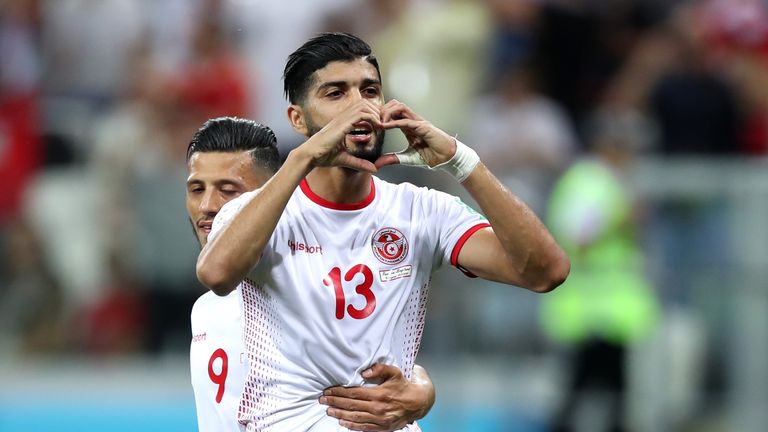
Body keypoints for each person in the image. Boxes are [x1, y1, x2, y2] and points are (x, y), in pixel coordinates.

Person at [196, 33, 570, 431]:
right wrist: (303, 157)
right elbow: (217, 274)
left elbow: (545, 272)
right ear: (298, 119)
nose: (359, 106)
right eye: (336, 93)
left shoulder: (422, 210)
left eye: (370, 91)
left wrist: (461, 161)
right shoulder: (256, 213)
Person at [185, 117, 435, 432]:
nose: (208, 205)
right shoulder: (205, 308)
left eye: (228, 190)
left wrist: (420, 386)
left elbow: (360, 356)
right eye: (197, 189)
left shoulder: (309, 287)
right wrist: (422, 384)